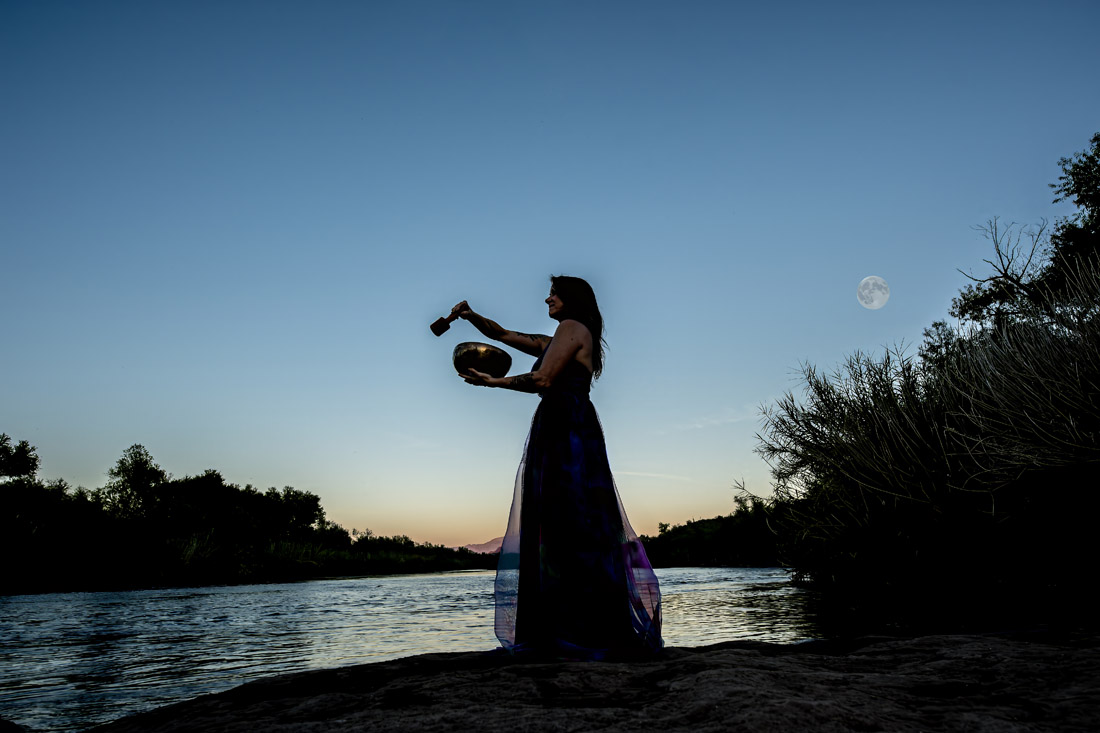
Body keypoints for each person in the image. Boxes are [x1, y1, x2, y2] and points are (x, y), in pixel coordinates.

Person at [452, 275, 662, 660]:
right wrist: (470, 316)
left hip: (567, 430)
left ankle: (577, 632)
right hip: (563, 427)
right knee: (562, 522)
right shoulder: (559, 337)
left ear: (571, 300)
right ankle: (568, 628)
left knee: (568, 521)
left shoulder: (571, 328)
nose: (547, 298)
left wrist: (492, 383)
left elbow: (542, 378)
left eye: (554, 294)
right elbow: (503, 334)